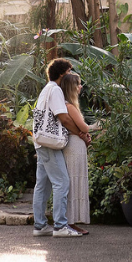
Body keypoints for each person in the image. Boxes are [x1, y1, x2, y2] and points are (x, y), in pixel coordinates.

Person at [31, 58, 88, 238]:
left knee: (42, 185)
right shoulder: (55, 90)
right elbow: (63, 118)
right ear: (62, 74)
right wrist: (80, 132)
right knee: (61, 182)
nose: (70, 76)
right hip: (50, 143)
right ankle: (60, 226)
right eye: (69, 72)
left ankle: (40, 226)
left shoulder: (46, 89)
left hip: (41, 142)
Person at [58, 72, 91, 234]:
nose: (80, 87)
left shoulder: (66, 106)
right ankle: (70, 222)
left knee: (74, 181)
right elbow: (84, 127)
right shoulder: (69, 106)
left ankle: (71, 221)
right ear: (72, 87)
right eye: (78, 84)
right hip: (74, 147)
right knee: (74, 181)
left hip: (74, 145)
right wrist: (86, 132)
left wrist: (84, 134)